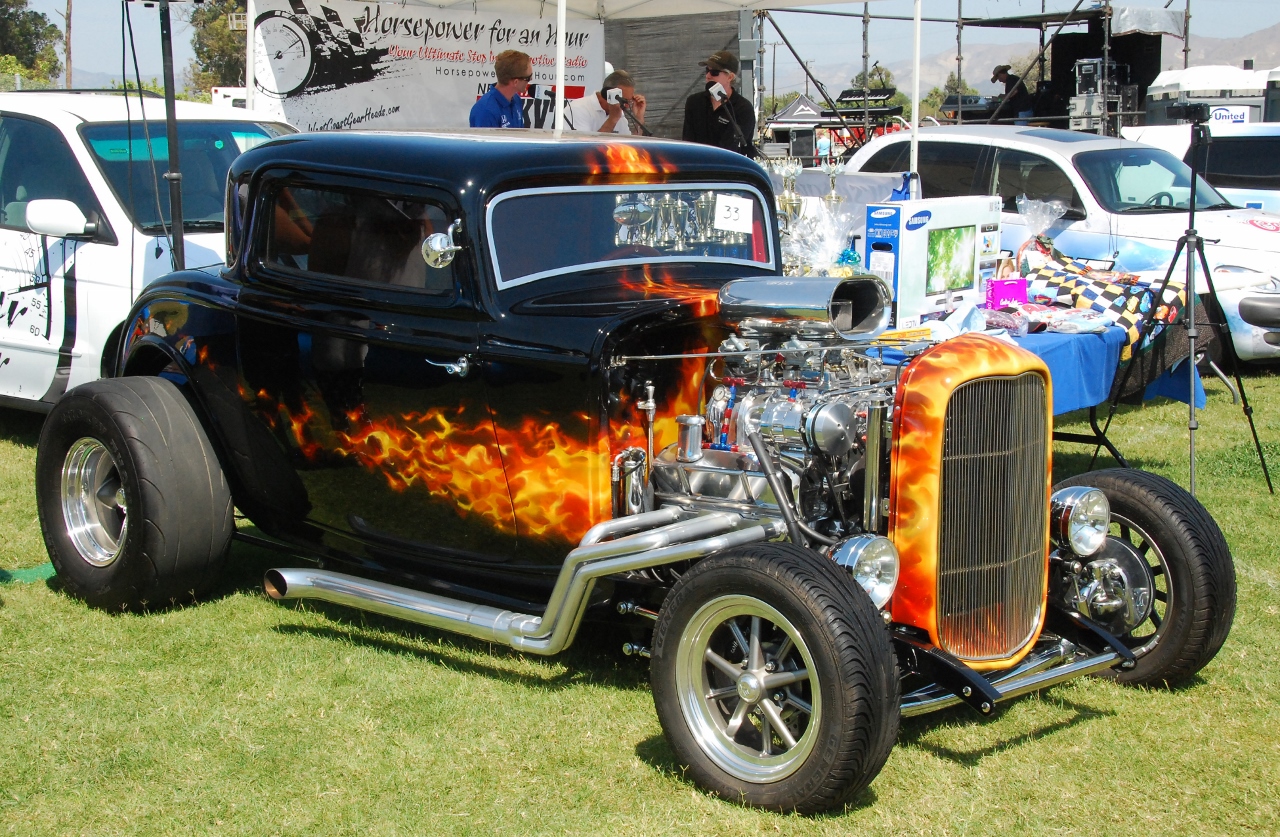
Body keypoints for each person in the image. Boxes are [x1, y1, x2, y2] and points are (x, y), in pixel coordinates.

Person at [682, 50, 756, 156]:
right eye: (707, 71)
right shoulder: (694, 102)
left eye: (714, 72)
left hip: (730, 167)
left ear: (730, 77)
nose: (708, 76)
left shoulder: (743, 108)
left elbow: (731, 147)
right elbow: (688, 142)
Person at [564, 69, 648, 134]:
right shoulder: (578, 109)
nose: (626, 106)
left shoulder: (619, 113)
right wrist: (613, 119)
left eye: (629, 101)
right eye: (623, 100)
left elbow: (630, 147)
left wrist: (639, 119)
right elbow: (586, 149)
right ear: (607, 93)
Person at [470, 50, 532, 129]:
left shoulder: (516, 100)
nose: (531, 79)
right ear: (516, 82)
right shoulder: (486, 110)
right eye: (528, 78)